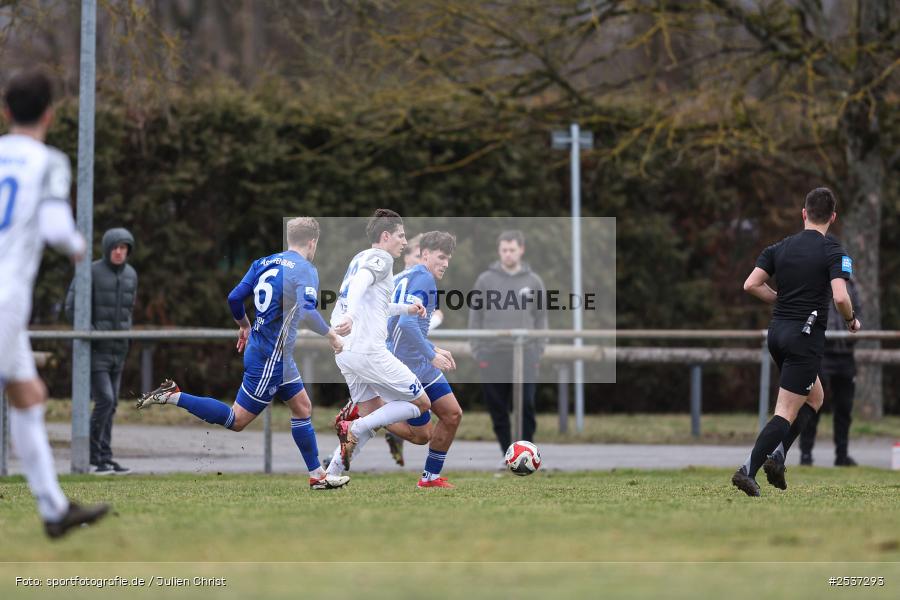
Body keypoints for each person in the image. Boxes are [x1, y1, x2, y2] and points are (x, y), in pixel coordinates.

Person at [136, 217, 350, 490]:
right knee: (236, 420)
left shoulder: (263, 262)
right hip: (269, 359)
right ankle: (173, 395)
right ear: (313, 242)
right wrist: (332, 336)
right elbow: (308, 311)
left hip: (271, 354)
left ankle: (317, 475)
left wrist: (244, 326)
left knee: (302, 407)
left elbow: (234, 298)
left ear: (289, 239)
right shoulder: (305, 269)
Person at [0, 69, 109, 537]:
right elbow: (55, 228)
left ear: (5, 112)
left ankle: (54, 510)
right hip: (4, 299)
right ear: (50, 113)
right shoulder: (47, 162)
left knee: (29, 395)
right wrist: (76, 244)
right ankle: (53, 509)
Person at [733, 187, 860, 497]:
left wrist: (779, 298)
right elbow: (841, 296)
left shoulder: (780, 247)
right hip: (804, 338)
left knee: (815, 396)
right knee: (785, 411)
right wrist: (850, 320)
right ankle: (747, 470)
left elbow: (751, 284)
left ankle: (777, 457)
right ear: (833, 217)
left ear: (804, 213)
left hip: (777, 334)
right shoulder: (834, 251)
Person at [324, 209, 432, 476]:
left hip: (345, 351)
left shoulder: (359, 257)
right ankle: (354, 427)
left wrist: (407, 309)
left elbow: (376, 303)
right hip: (368, 351)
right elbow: (361, 284)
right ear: (386, 236)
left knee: (372, 414)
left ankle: (333, 473)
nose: (405, 242)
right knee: (421, 404)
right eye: (401, 236)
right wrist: (350, 315)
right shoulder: (381, 257)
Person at [384, 231, 462, 487]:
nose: (446, 264)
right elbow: (406, 323)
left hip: (420, 362)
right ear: (424, 255)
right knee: (422, 435)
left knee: (452, 414)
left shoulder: (405, 276)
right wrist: (432, 354)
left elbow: (403, 324)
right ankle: (367, 415)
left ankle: (430, 478)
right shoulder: (424, 279)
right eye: (441, 257)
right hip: (404, 367)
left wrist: (432, 349)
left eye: (448, 258)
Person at [467, 230, 547, 457]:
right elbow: (476, 316)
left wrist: (539, 347)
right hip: (492, 353)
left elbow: (541, 317)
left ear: (521, 250)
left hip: (526, 352)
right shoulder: (485, 280)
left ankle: (527, 454)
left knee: (526, 405)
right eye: (504, 250)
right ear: (499, 251)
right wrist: (477, 348)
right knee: (497, 408)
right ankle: (508, 455)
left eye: (512, 250)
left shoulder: (533, 281)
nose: (508, 254)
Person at [64, 227, 137, 475]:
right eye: (115, 247)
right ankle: (93, 457)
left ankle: (105, 457)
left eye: (123, 248)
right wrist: (92, 332)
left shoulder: (131, 275)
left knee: (112, 403)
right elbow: (71, 307)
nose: (119, 252)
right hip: (95, 351)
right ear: (107, 249)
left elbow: (129, 311)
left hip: (119, 350)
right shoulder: (90, 271)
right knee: (105, 400)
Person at [799, 270, 861, 466]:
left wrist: (853, 326)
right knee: (813, 404)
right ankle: (806, 454)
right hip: (822, 354)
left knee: (844, 408)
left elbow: (858, 309)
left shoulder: (851, 284)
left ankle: (842, 455)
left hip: (845, 355)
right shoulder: (815, 282)